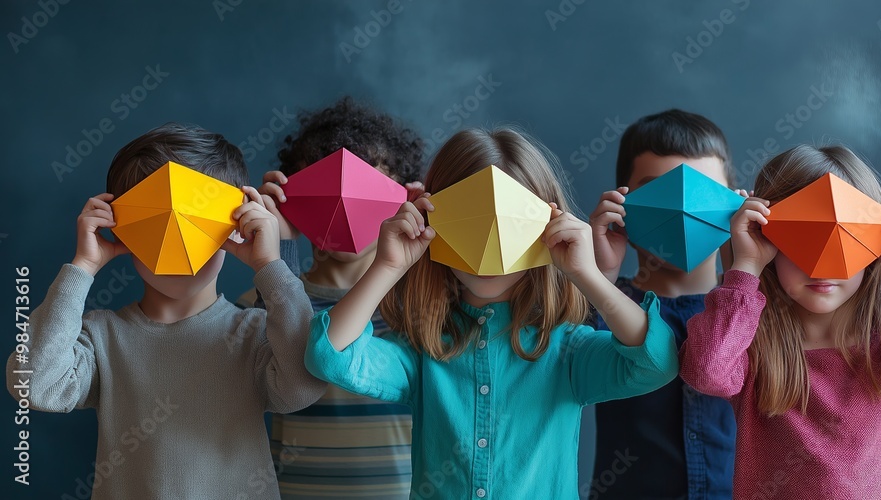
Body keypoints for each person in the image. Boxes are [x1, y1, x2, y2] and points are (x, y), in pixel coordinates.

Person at [304, 127, 678, 498]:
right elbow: (329, 355)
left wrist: (586, 273)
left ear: (547, 227)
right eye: (470, 222)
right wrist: (387, 266)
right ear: (432, 221)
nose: (489, 249)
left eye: (511, 225)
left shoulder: (567, 351)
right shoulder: (422, 350)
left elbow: (656, 361)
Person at [5, 123, 326, 498]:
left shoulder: (255, 333)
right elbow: (35, 386)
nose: (176, 248)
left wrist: (271, 266)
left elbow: (304, 386)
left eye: (195, 226)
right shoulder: (101, 337)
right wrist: (82, 268)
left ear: (235, 226)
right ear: (119, 227)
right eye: (155, 227)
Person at [680, 144, 881, 498]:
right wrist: (745, 267)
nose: (820, 265)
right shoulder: (751, 351)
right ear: (766, 241)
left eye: (842, 241)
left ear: (875, 246)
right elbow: (705, 370)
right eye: (799, 241)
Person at [240, 97, 424, 498]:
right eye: (328, 187)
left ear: (402, 196)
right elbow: (253, 385)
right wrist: (279, 254)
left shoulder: (421, 306)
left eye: (367, 187)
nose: (345, 203)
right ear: (291, 193)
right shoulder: (263, 298)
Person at [587, 109, 736, 498]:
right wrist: (598, 276)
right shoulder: (598, 306)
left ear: (736, 204)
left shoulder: (761, 310)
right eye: (658, 190)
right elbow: (554, 346)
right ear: (622, 205)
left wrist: (745, 270)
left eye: (702, 191)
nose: (681, 210)